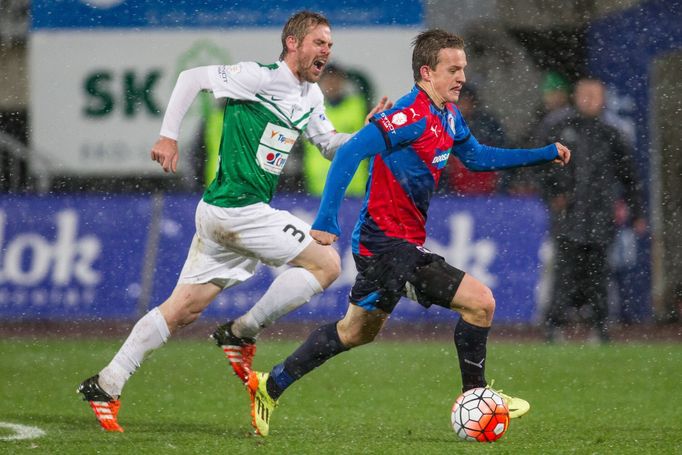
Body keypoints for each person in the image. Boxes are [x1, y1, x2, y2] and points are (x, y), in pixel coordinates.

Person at [245, 29, 571, 437]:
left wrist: (542, 154)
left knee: (354, 332)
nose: (462, 77)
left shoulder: (448, 115)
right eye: (453, 69)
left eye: (463, 69)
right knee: (480, 303)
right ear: (426, 72)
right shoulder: (408, 113)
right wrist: (327, 219)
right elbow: (349, 152)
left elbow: (477, 157)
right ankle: (477, 397)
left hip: (398, 245)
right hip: (385, 246)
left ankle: (270, 383)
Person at [76, 10, 390, 432]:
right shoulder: (258, 76)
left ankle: (107, 383)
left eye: (329, 45)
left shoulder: (310, 96)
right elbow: (191, 77)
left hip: (222, 213)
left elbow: (328, 145)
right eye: (319, 43)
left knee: (182, 309)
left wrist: (365, 135)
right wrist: (167, 135)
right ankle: (241, 332)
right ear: (293, 43)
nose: (326, 51)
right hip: (238, 210)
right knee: (327, 264)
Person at [538, 77, 645, 344]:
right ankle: (554, 327)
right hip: (568, 215)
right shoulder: (559, 128)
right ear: (575, 96)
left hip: (600, 216)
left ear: (603, 100)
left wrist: (637, 212)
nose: (589, 100)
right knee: (564, 273)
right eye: (584, 94)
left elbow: (629, 176)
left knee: (598, 275)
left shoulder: (611, 133)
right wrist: (554, 194)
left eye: (594, 95)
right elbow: (539, 165)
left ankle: (600, 327)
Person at [302, 63, 369, 196]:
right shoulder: (309, 109)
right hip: (319, 189)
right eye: (328, 79)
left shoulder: (359, 105)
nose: (332, 84)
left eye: (336, 79)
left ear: (343, 81)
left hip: (354, 188)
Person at [440, 84, 507, 195]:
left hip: (489, 190)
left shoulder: (488, 124)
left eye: (464, 101)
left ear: (473, 102)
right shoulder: (443, 123)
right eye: (457, 102)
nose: (461, 106)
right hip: (453, 191)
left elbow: (501, 152)